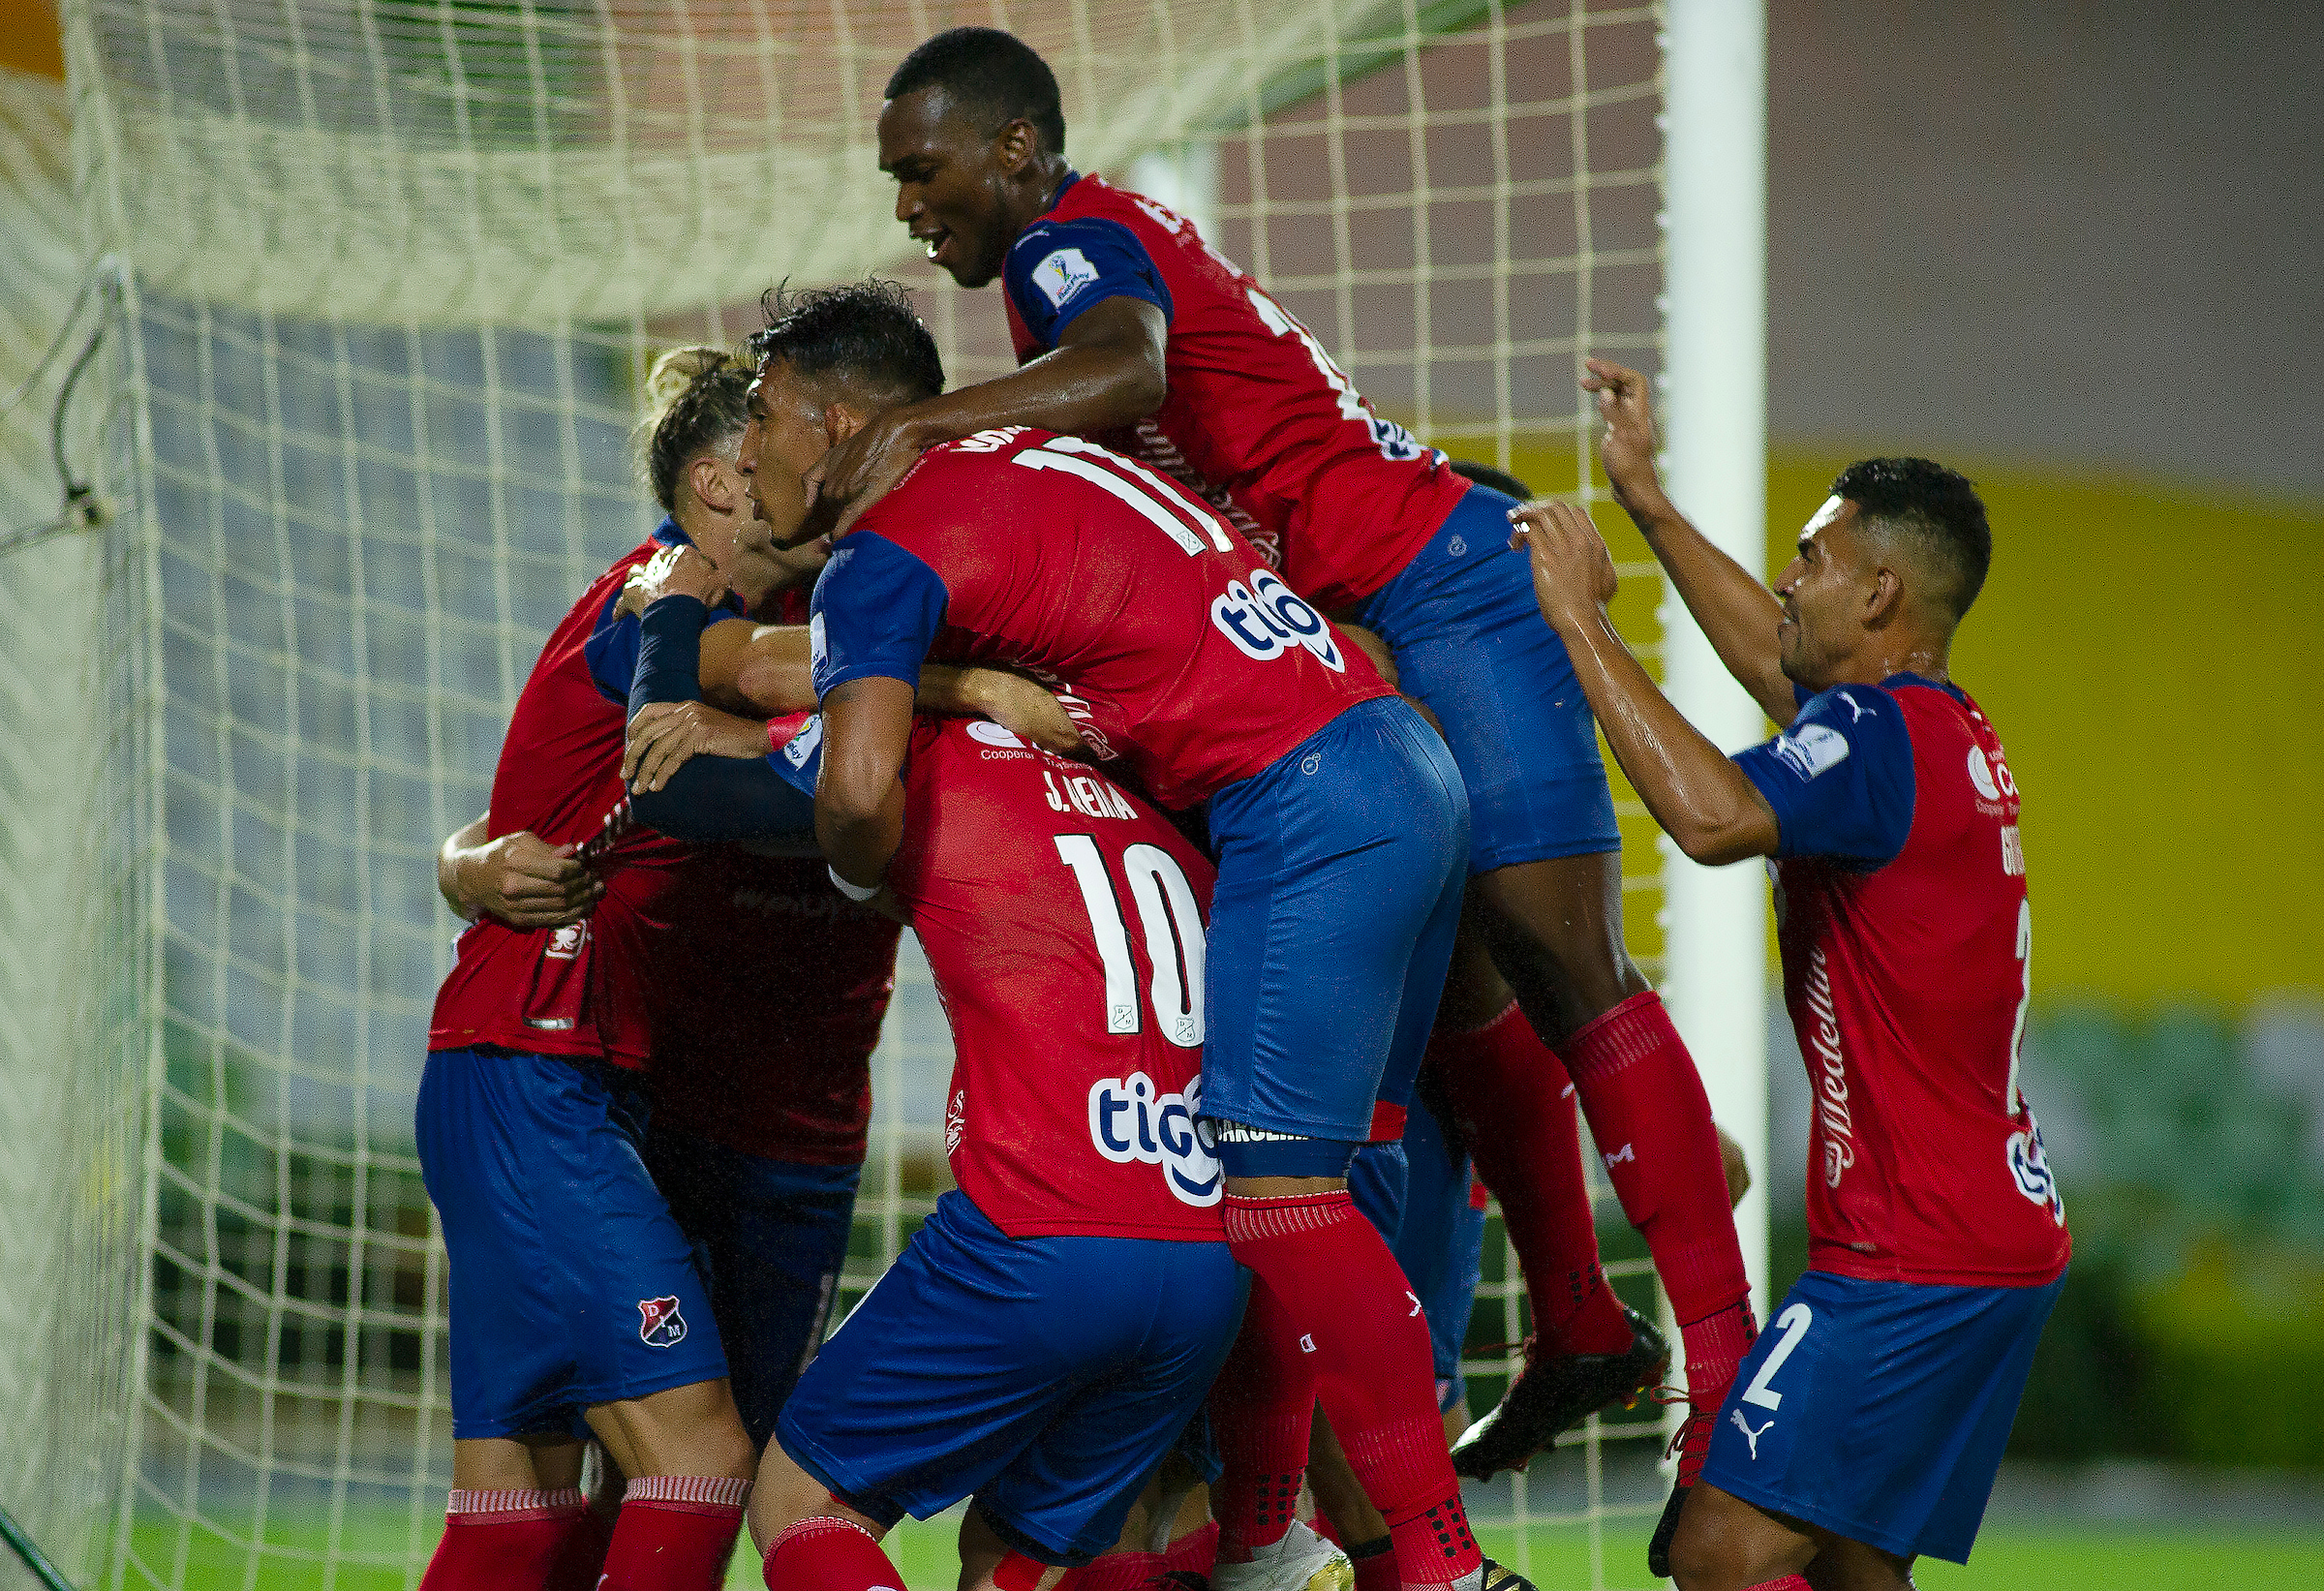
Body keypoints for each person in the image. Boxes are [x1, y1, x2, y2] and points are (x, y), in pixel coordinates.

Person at [810, 26, 1755, 1493]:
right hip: (1362, 620)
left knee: (1571, 978)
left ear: (1011, 148)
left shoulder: (1063, 246)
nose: (906, 205)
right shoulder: (1081, 246)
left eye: (920, 169)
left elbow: (1130, 369)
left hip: (1438, 583)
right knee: (1454, 1000)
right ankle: (1566, 1315)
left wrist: (925, 427)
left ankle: (1724, 1386)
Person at [701, 278, 1521, 1591]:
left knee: (803, 1492)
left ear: (847, 423)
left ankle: (1405, 1556)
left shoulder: (894, 598)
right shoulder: (1070, 508)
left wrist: (856, 830)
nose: (747, 456)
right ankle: (1298, 1529)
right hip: (1387, 801)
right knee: (1071, 1504)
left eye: (764, 421)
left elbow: (830, 773)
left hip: (1055, 1209)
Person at [418, 349, 1068, 1591]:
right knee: (699, 1464)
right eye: (784, 444)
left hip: (758, 1119)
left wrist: (464, 859)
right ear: (723, 483)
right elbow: (768, 677)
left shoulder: (877, 589)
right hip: (572, 1077)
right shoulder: (653, 603)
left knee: (530, 1494)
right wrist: (970, 688)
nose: (823, 475)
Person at [1505, 359, 2071, 1588]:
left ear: (1880, 591)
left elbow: (1711, 823)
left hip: (1912, 1253)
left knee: (1722, 1546)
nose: (1785, 580)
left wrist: (1577, 616)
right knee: (1853, 1567)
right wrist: (1649, 506)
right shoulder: (1937, 728)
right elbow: (1778, 662)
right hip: (1984, 1229)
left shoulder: (1874, 738)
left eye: (1810, 559)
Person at [608, 560, 1248, 1591]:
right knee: (1025, 1545)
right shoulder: (1153, 786)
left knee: (802, 1502)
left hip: (1042, 1235)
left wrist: (671, 608)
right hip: (1204, 1249)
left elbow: (667, 781)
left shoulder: (912, 754)